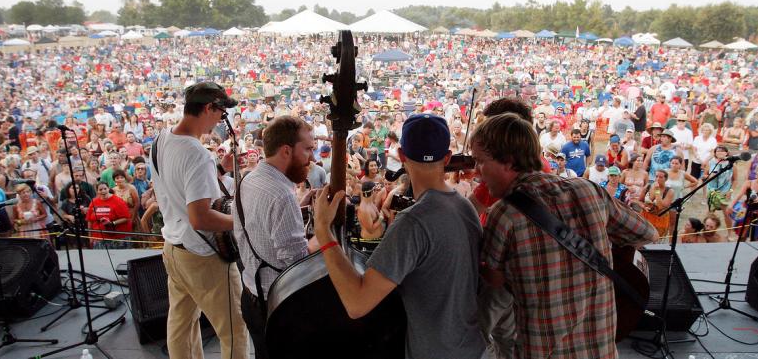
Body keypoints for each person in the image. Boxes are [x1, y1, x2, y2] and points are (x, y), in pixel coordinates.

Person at [471, 112, 657, 359]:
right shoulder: (587, 189)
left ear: (507, 161)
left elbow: (494, 282)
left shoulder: (503, 215)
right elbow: (646, 233)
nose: (476, 172)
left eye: (480, 161)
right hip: (601, 349)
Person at [312, 113, 486, 359]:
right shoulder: (465, 207)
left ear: (402, 156)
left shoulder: (413, 222)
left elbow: (357, 303)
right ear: (447, 157)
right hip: (474, 348)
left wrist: (323, 231)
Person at [149, 82, 249, 359]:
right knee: (235, 329)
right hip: (202, 257)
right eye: (221, 113)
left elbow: (176, 186)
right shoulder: (197, 155)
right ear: (208, 108)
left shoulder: (160, 139)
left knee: (181, 325)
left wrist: (218, 169)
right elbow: (200, 217)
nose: (221, 120)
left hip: (173, 249)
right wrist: (243, 222)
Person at [234, 115, 319, 359]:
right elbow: (296, 263)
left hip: (250, 295)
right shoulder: (282, 195)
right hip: (274, 306)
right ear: (286, 150)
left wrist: (298, 207)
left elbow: (257, 225)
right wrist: (323, 232)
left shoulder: (248, 178)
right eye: (308, 149)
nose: (312, 158)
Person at [726, 162, 758, 241]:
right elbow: (739, 195)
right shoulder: (749, 183)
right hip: (746, 212)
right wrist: (731, 205)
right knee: (741, 237)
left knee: (757, 238)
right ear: (756, 172)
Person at [86, 181, 132, 249]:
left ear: (108, 188)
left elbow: (126, 218)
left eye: (105, 189)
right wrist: (90, 237)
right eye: (100, 189)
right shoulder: (94, 202)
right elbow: (89, 220)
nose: (103, 191)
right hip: (98, 238)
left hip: (116, 238)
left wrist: (112, 223)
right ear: (97, 191)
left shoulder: (118, 201)